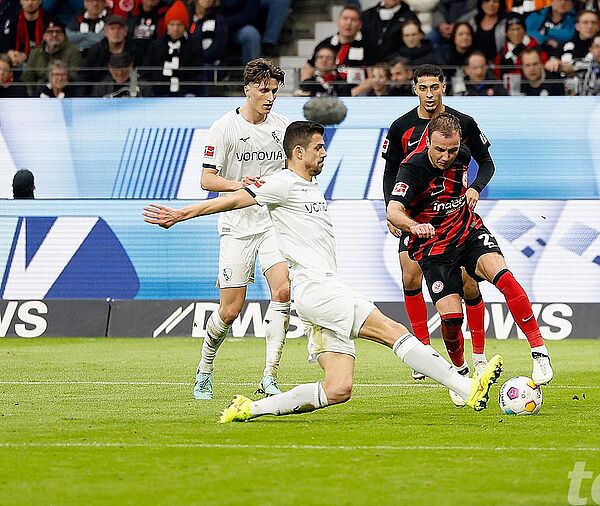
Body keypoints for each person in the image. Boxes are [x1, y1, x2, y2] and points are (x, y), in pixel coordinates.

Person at [144, 120, 504, 421]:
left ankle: (250, 409)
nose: (324, 153)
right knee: (394, 331)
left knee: (338, 388)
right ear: (299, 153)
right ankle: (466, 387)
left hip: (317, 295)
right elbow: (235, 200)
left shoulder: (309, 186)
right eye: (319, 147)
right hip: (319, 290)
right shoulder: (283, 182)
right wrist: (180, 214)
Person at [387, 113, 554, 402]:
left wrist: (475, 188)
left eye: (452, 150)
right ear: (428, 143)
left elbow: (486, 163)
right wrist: (413, 226)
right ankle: (461, 374)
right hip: (434, 249)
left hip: (468, 231)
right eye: (440, 150)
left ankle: (539, 352)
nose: (446, 157)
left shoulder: (462, 154)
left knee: (504, 277)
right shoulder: (412, 168)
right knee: (451, 319)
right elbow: (393, 210)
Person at [381, 64, 501, 390]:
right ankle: (424, 353)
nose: (429, 94)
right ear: (415, 89)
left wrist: (475, 187)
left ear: (444, 87)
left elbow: (486, 163)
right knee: (409, 276)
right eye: (423, 88)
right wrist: (391, 209)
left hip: (453, 216)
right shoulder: (401, 127)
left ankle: (478, 354)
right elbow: (391, 172)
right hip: (415, 216)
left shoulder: (463, 123)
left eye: (434, 87)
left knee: (468, 283)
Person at [186, 58, 292, 400]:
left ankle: (269, 376)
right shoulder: (224, 128)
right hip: (236, 225)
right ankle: (205, 368)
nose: (270, 97)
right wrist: (238, 184)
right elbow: (207, 179)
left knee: (283, 292)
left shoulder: (283, 127)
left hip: (273, 223)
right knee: (231, 310)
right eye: (263, 90)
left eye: (274, 91)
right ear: (247, 89)